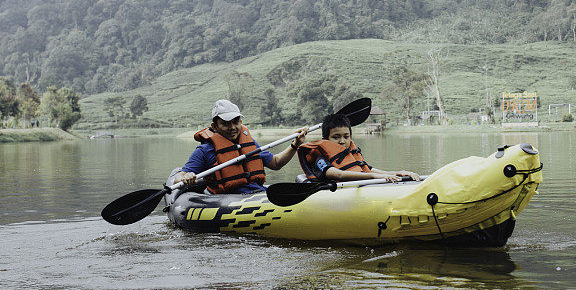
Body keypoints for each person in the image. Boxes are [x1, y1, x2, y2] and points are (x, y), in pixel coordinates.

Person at [175, 99, 308, 194]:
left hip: (257, 193)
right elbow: (178, 179)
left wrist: (295, 144)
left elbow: (276, 163)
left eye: (236, 122)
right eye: (225, 123)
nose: (232, 127)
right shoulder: (204, 150)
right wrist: (185, 177)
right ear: (214, 126)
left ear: (241, 121)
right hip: (228, 201)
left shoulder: (248, 143)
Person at [297, 113, 420, 183]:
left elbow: (370, 170)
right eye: (336, 137)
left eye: (346, 136)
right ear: (325, 139)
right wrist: (373, 177)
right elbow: (338, 175)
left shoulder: (350, 154)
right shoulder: (321, 159)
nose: (342, 141)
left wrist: (400, 172)